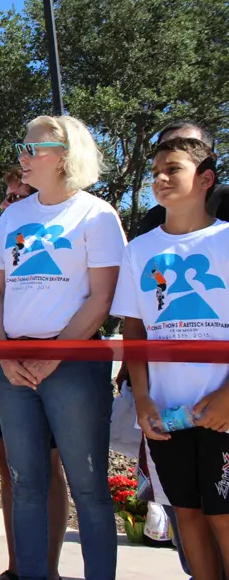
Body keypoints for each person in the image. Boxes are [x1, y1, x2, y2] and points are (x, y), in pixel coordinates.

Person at [0, 115, 125, 580]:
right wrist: (5, 354)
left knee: (89, 488)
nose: (22, 156)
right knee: (26, 484)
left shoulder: (98, 214)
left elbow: (103, 297)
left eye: (31, 148)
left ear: (65, 154)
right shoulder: (12, 215)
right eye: (21, 146)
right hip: (14, 366)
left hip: (74, 363)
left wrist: (55, 352)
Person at [112, 136, 229, 580]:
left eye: (173, 169)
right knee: (189, 516)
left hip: (223, 413)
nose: (160, 178)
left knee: (224, 517)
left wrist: (227, 397)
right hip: (167, 416)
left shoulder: (226, 239)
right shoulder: (139, 249)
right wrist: (142, 400)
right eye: (155, 170)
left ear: (205, 179)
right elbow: (135, 329)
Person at [0, 168, 69, 580]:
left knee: (46, 469)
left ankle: (46, 569)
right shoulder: (4, 238)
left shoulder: (57, 240)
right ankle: (17, 568)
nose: (5, 204)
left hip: (46, 367)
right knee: (12, 472)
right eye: (6, 195)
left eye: (15, 197)